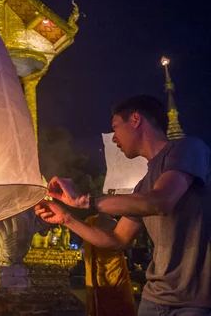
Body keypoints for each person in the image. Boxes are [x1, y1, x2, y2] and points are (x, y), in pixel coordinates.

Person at [35, 95, 211, 315]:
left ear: (136, 119)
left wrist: (86, 201)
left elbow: (161, 201)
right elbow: (117, 240)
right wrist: (67, 219)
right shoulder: (142, 187)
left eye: (115, 127)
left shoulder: (188, 148)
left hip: (195, 303)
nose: (115, 138)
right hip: (154, 298)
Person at [83, 214, 136, 316]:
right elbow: (129, 244)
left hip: (94, 269)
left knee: (98, 299)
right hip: (114, 268)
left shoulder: (88, 220)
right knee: (117, 299)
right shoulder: (113, 223)